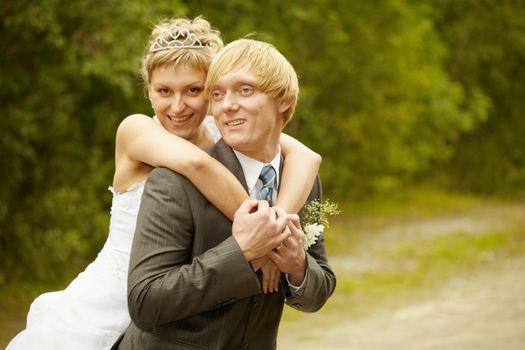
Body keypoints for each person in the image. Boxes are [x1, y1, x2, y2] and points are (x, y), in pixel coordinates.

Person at [7, 18, 321, 350]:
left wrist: (276, 227)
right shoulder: (137, 130)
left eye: (194, 90)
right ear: (148, 92)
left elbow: (306, 157)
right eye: (163, 91)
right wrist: (264, 235)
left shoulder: (223, 128)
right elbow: (197, 163)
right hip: (111, 300)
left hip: (180, 307)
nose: (177, 106)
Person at [114, 38, 336, 350]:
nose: (227, 105)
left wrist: (297, 265)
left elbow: (320, 289)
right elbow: (146, 303)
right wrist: (245, 252)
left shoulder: (300, 181)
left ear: (283, 99)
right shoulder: (174, 181)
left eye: (245, 90)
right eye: (217, 94)